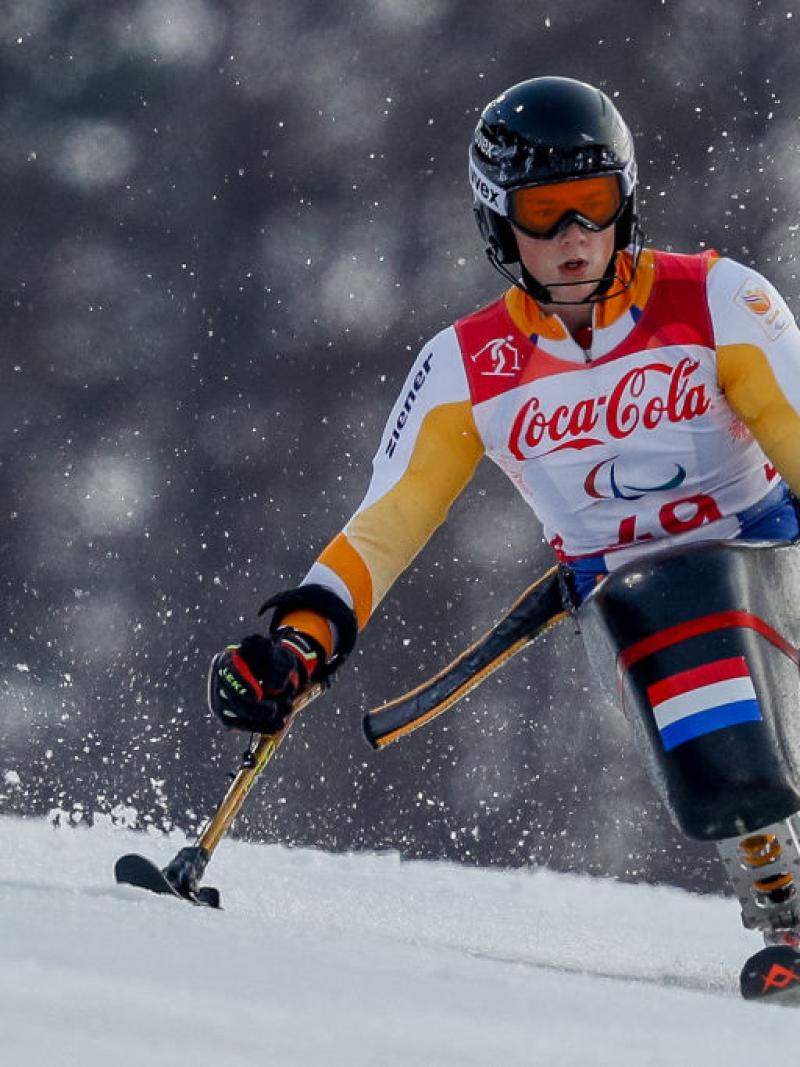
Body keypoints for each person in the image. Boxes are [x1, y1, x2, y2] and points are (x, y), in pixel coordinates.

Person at [207, 77, 800, 888]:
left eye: (594, 204)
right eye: (543, 212)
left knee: (724, 643)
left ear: (626, 202)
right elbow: (388, 520)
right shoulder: (466, 365)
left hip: (765, 557)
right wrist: (299, 641)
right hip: (626, 600)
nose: (575, 237)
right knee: (720, 755)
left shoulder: (717, 299)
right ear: (498, 221)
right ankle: (777, 893)